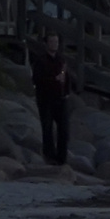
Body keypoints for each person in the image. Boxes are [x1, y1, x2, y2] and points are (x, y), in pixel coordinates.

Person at [29, 31, 74, 165]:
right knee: (47, 128)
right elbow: (37, 80)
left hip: (60, 98)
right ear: (46, 43)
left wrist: (67, 91)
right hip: (46, 99)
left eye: (56, 42)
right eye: (52, 42)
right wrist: (54, 79)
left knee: (64, 130)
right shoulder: (41, 60)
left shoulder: (61, 60)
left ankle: (62, 158)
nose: (54, 44)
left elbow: (67, 77)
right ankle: (50, 156)